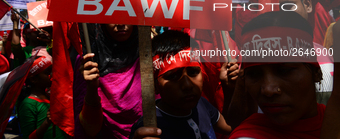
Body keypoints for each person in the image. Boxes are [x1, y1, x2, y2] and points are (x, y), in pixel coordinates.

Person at [229, 11, 326, 139]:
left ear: (316, 73)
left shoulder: (331, 117)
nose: (268, 90)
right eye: (254, 74)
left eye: (284, 71)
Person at [130, 30, 238, 139]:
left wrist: (229, 89)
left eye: (193, 72)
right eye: (173, 76)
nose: (187, 85)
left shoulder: (201, 104)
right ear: (155, 85)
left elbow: (230, 126)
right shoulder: (148, 128)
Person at [74, 24, 143, 138]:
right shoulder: (88, 63)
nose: (121, 24)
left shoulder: (148, 54)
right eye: (113, 18)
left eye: (126, 14)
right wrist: (91, 88)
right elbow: (90, 129)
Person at [18, 55, 66, 139]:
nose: (52, 74)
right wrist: (47, 122)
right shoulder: (28, 104)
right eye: (48, 72)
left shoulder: (50, 96)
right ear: (33, 79)